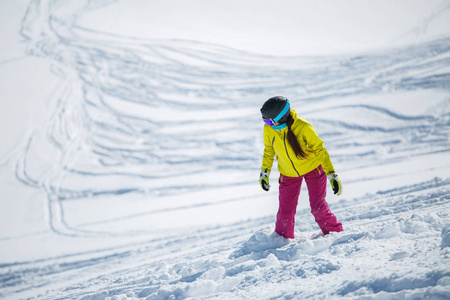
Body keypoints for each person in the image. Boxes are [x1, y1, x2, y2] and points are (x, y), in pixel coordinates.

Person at [259, 96, 343, 239]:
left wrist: (332, 175)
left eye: (270, 121)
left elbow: (320, 150)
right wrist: (264, 172)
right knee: (285, 213)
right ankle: (282, 240)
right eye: (265, 121)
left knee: (318, 208)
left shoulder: (303, 127)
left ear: (282, 116)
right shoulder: (269, 129)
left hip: (313, 169)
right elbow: (269, 150)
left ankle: (336, 234)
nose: (268, 124)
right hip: (288, 173)